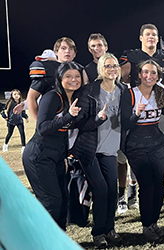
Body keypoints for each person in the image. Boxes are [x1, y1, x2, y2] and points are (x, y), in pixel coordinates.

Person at [71, 53, 124, 248]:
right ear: (101, 69)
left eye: (115, 66)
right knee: (101, 190)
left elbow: (124, 119)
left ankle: (110, 229)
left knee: (111, 192)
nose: (112, 69)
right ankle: (98, 233)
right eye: (108, 66)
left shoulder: (122, 90)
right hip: (90, 150)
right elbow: (80, 123)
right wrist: (98, 119)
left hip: (110, 150)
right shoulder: (90, 90)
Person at [22, 61, 83, 231]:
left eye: (77, 76)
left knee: (63, 200)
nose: (74, 80)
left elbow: (63, 133)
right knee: (51, 202)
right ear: (59, 78)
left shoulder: (72, 98)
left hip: (56, 155)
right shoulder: (52, 96)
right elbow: (42, 128)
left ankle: (59, 240)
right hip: (39, 155)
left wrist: (64, 156)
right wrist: (68, 116)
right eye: (68, 76)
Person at [120, 23, 164, 208]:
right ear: (141, 37)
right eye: (148, 34)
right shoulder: (131, 55)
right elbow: (120, 75)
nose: (151, 37)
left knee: (162, 152)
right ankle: (132, 187)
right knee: (137, 153)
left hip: (160, 109)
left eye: (154, 35)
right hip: (138, 107)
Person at [121, 59, 164, 241]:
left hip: (156, 142)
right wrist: (136, 114)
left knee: (159, 185)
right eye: (146, 72)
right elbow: (125, 123)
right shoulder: (130, 94)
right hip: (135, 145)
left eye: (154, 73)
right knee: (147, 186)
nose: (150, 76)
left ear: (158, 76)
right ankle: (146, 225)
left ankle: (154, 222)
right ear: (140, 74)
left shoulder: (161, 92)